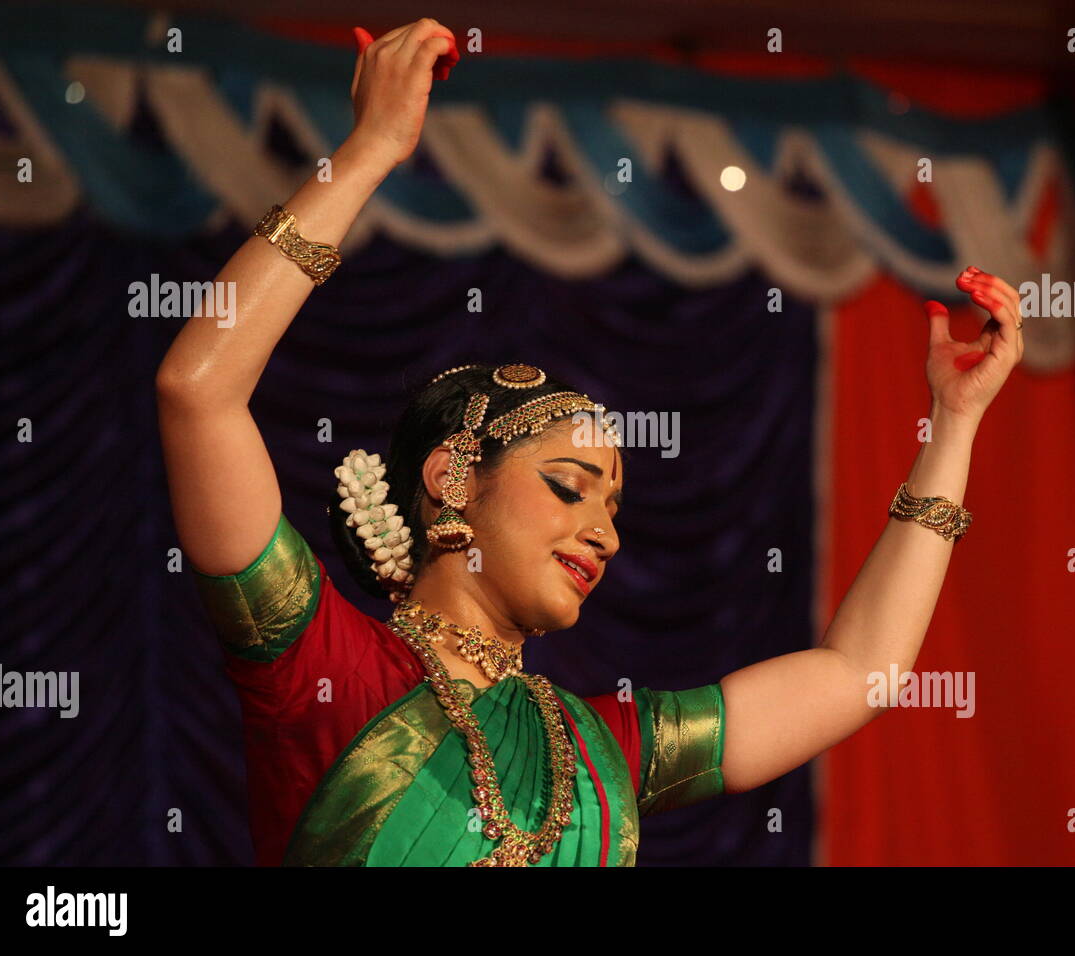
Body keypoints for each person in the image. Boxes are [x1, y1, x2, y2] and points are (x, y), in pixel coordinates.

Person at [155, 19, 1026, 867]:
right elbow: (198, 392)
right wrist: (371, 150)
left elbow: (861, 672)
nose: (606, 535)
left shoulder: (601, 749)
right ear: (454, 475)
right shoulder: (323, 666)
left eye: (612, 507)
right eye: (570, 488)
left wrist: (953, 424)